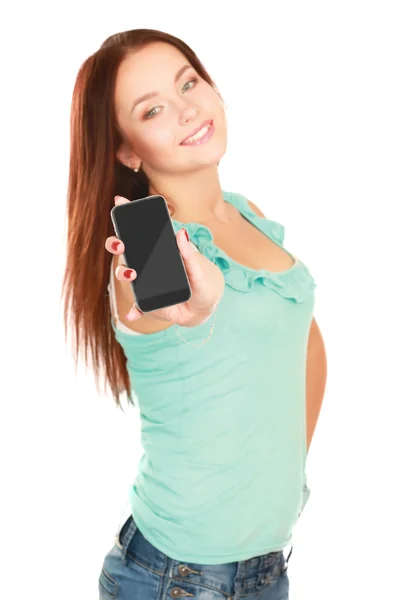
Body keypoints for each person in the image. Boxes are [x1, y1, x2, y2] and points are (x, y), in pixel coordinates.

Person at [62, 28, 325, 600]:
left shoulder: (245, 214)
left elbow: (301, 337)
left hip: (263, 567)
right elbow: (161, 302)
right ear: (127, 150)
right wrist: (196, 308)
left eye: (189, 83)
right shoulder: (149, 241)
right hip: (176, 579)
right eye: (153, 109)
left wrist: (285, 466)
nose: (186, 110)